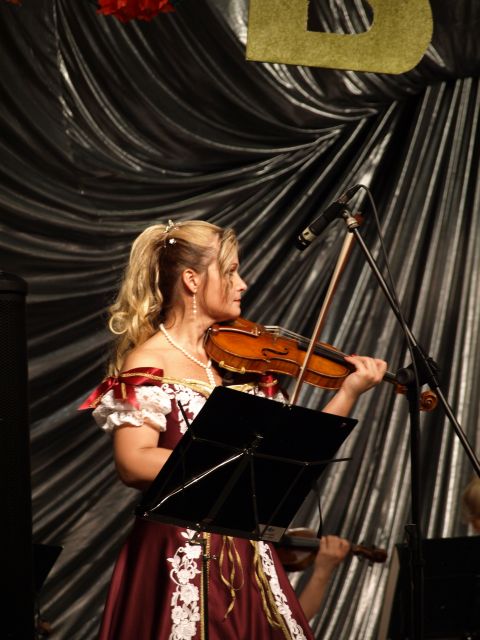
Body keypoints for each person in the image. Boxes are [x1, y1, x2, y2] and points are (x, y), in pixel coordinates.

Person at [80, 220, 387, 639]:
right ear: (192, 280)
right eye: (230, 272)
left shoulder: (242, 362)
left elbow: (294, 450)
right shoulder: (150, 361)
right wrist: (233, 464)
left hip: (249, 554)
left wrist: (349, 391)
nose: (242, 284)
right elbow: (134, 461)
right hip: (179, 552)